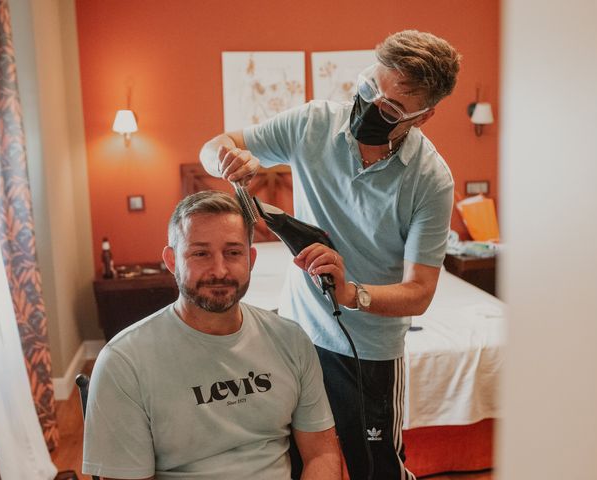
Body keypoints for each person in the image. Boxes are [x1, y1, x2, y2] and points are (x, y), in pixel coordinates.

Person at [200, 30, 460, 479]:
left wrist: (351, 294)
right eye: (368, 87)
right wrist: (226, 159)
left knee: (376, 467)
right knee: (299, 459)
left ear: (423, 116)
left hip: (370, 352)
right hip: (297, 335)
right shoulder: (312, 124)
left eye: (392, 108)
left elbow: (419, 293)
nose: (371, 106)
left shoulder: (430, 180)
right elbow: (214, 144)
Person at [82, 191, 341, 480]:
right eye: (200, 253)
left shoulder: (291, 340)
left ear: (251, 259)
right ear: (171, 260)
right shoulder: (124, 362)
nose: (219, 270)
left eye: (233, 253)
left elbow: (322, 452)